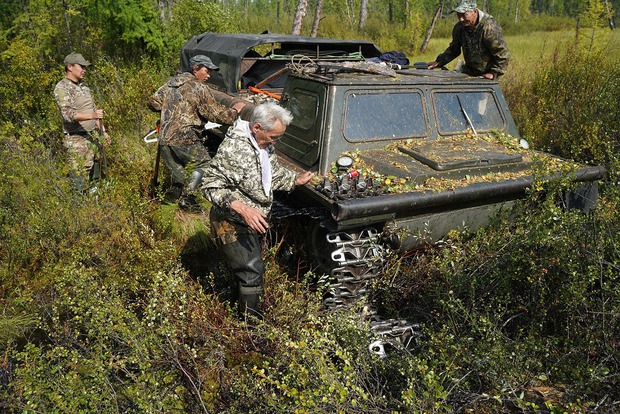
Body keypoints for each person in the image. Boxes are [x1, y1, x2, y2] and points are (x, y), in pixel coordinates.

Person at [202, 103, 314, 319]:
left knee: (245, 272)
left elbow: (269, 174)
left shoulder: (263, 145)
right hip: (228, 221)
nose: (275, 141)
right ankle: (250, 327)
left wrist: (294, 180)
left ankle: (236, 312)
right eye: (274, 136)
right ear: (257, 128)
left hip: (248, 221)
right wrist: (244, 209)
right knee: (252, 272)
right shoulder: (234, 149)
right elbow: (209, 185)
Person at [148, 55, 247, 210]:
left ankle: (167, 208)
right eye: (206, 71)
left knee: (178, 176)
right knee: (205, 164)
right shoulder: (198, 87)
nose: (209, 75)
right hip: (185, 138)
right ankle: (188, 199)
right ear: (195, 68)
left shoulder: (170, 83)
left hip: (165, 138)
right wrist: (234, 111)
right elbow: (215, 114)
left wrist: (171, 110)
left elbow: (153, 102)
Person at [54, 53, 110, 191]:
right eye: (82, 66)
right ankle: (79, 210)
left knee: (95, 176)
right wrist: (92, 115)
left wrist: (103, 131)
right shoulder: (62, 88)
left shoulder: (84, 86)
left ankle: (96, 207)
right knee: (79, 180)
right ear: (70, 67)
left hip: (92, 136)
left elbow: (93, 109)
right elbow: (68, 114)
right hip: (76, 139)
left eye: (86, 67)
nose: (84, 70)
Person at [427, 0, 510, 80]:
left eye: (464, 15)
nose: (461, 19)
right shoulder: (459, 28)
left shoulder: (488, 27)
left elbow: (502, 53)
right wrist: (439, 61)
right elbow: (454, 49)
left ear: (474, 11)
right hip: (469, 72)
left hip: (486, 76)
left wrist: (494, 73)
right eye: (458, 15)